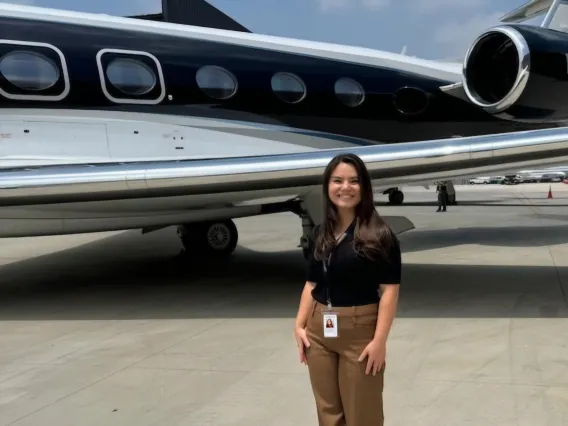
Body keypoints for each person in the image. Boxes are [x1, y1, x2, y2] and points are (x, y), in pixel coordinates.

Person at [293, 153, 402, 426]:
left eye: (354, 181)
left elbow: (389, 291)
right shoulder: (321, 232)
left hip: (360, 332)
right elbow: (312, 283)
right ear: (327, 186)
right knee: (328, 414)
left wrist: (379, 342)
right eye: (338, 180)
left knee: (363, 415)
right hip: (318, 331)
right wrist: (299, 325)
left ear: (364, 187)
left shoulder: (379, 235)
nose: (345, 187)